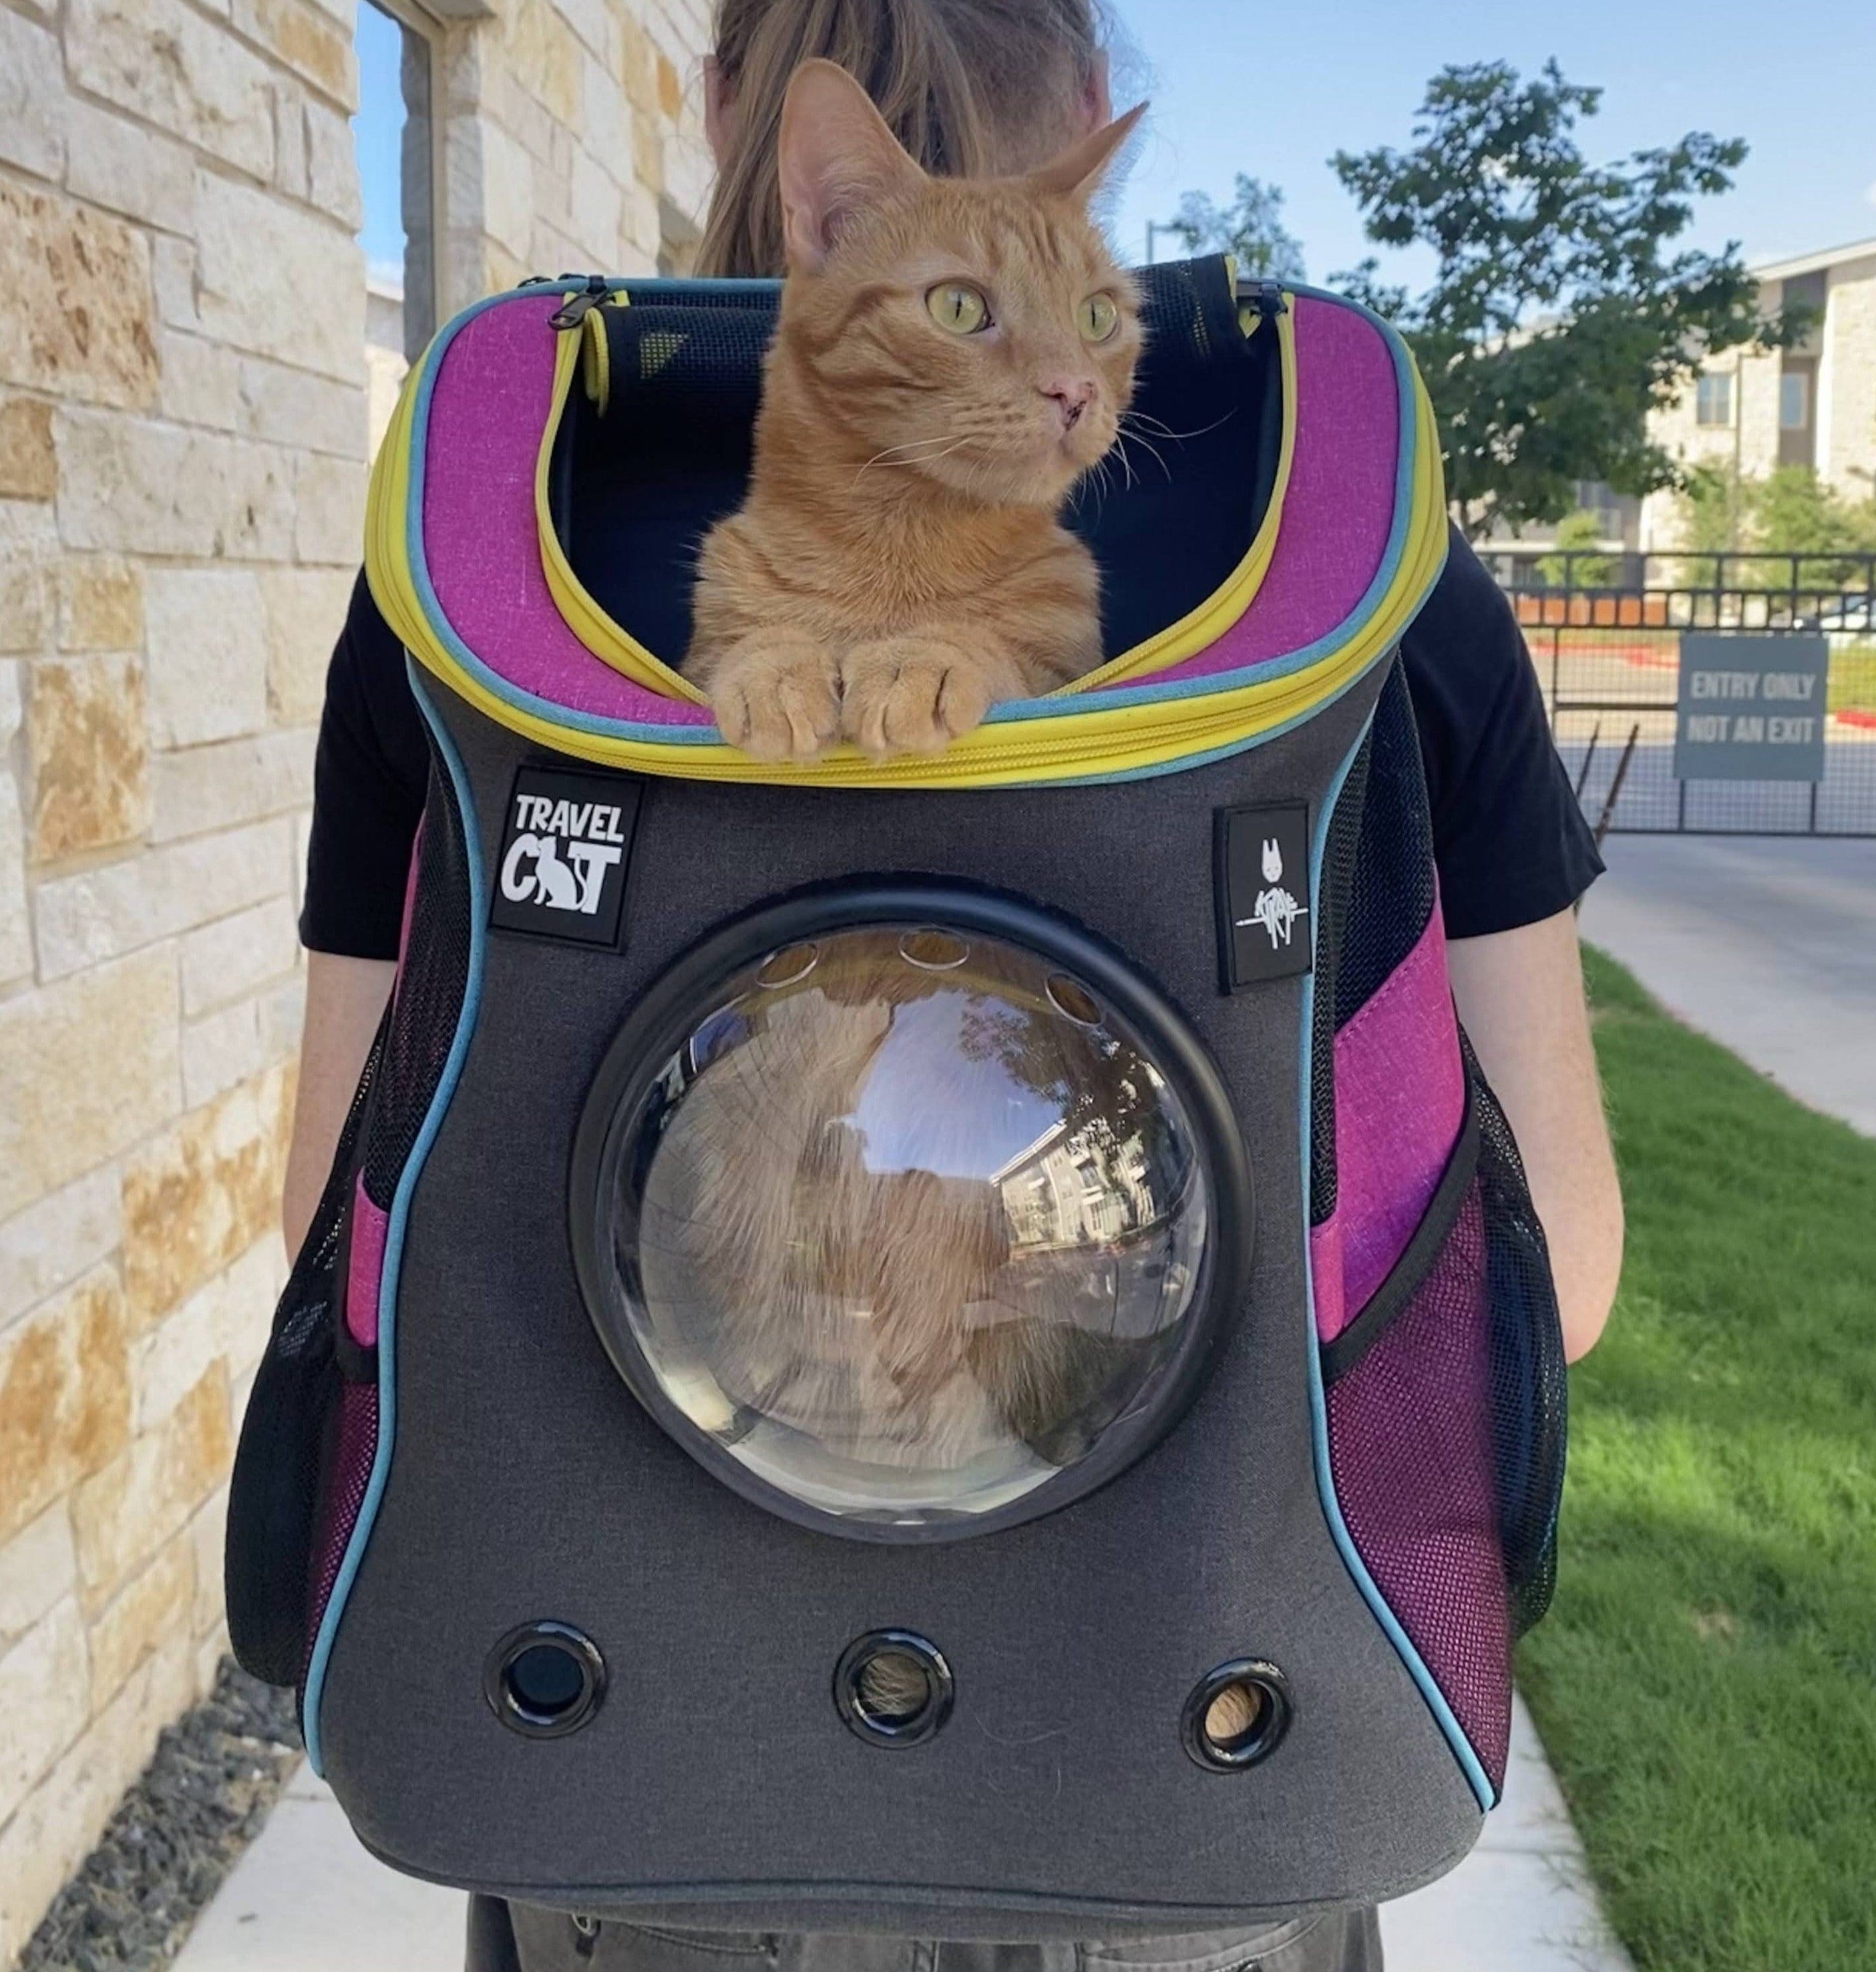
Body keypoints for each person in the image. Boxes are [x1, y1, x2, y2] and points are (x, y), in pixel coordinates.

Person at [282, 3, 1625, 1966]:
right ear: (1085, 129)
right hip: (1205, 1762)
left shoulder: (491, 530)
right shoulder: (1338, 531)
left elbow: (340, 1213)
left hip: (623, 1777)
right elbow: (1552, 1269)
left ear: (725, 101)